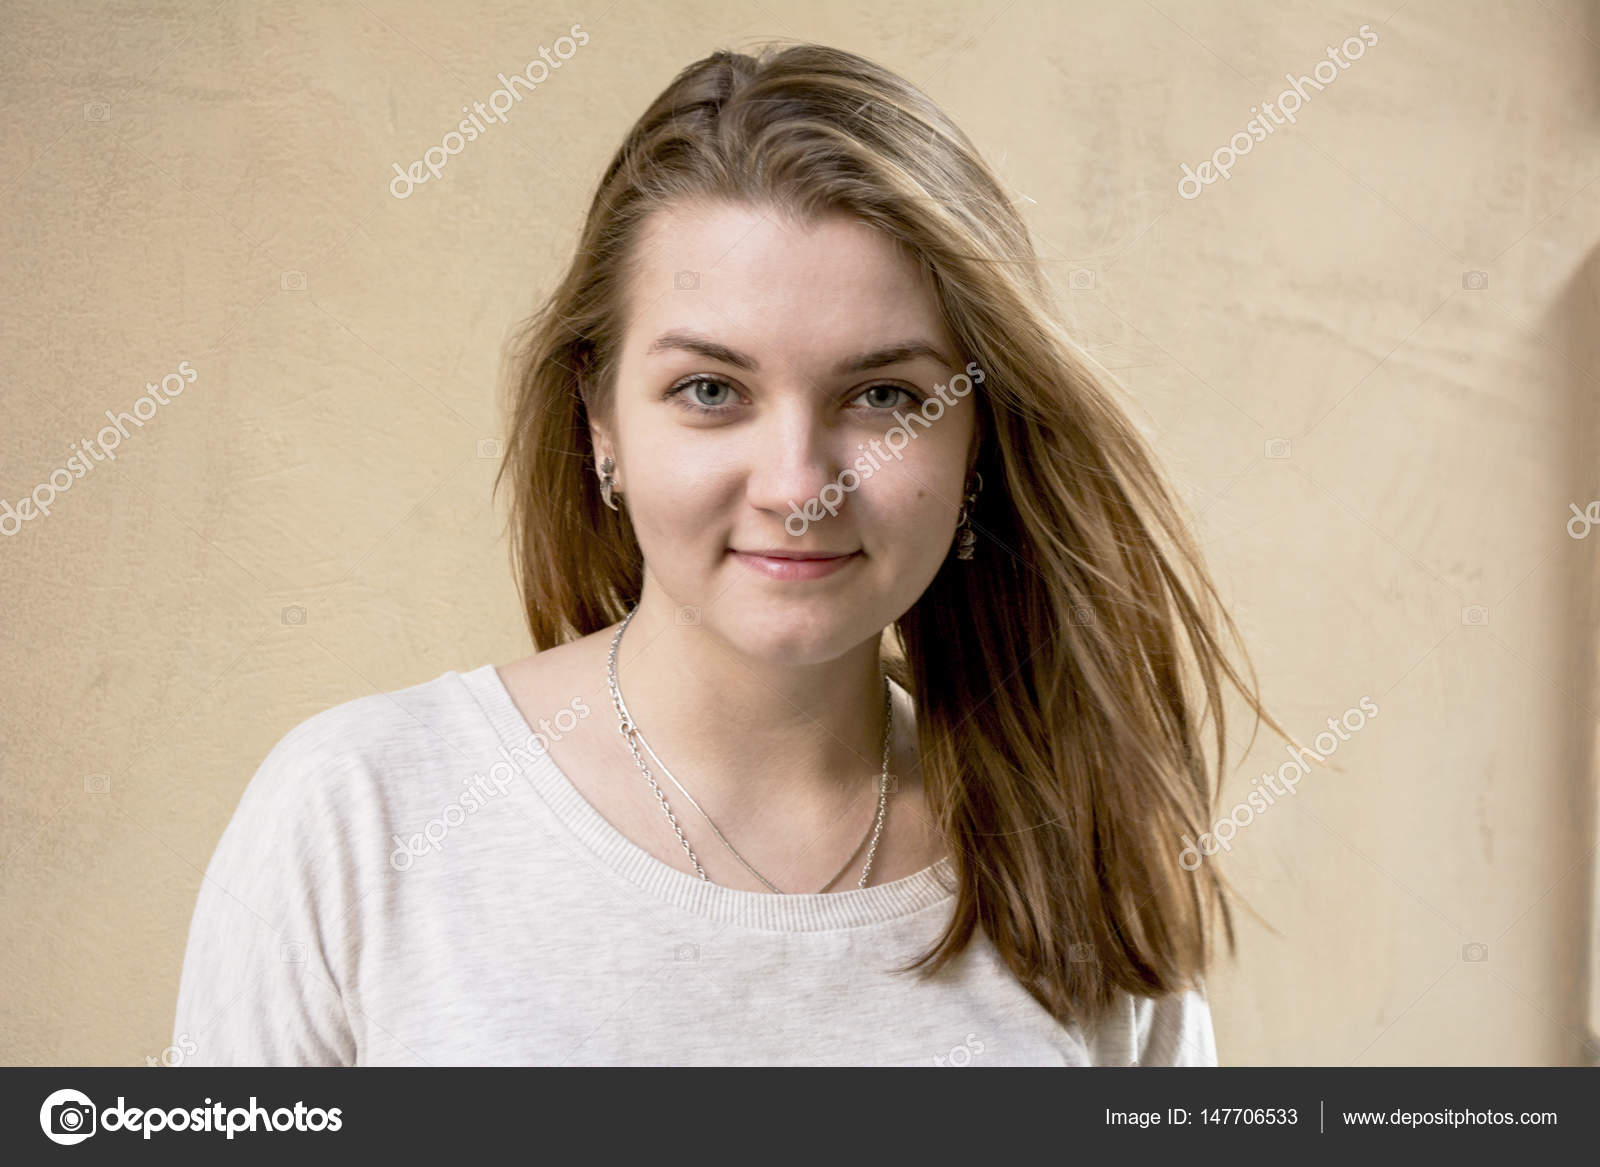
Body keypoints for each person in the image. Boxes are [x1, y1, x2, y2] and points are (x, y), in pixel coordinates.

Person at [172, 41, 1289, 1067]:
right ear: (600, 423)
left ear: (975, 441)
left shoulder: (1073, 858)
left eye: (886, 395)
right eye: (711, 390)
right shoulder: (361, 814)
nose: (801, 484)